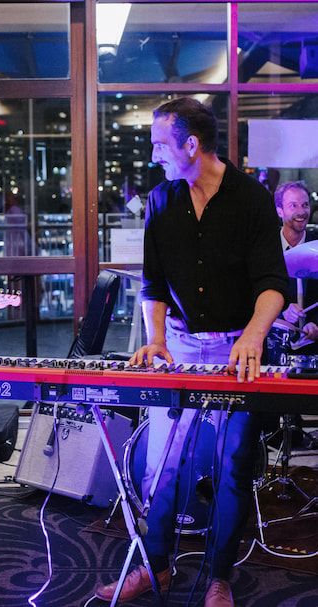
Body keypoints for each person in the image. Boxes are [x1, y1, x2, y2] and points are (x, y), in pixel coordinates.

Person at [94, 98, 288, 607]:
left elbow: (273, 283)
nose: (153, 154)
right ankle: (156, 566)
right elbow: (153, 285)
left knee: (232, 467)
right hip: (178, 346)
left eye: (160, 144)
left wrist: (253, 335)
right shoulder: (160, 200)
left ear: (191, 145)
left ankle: (219, 578)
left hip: (236, 349)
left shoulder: (251, 199)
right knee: (162, 465)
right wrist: (155, 337)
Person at [272, 181, 318, 354]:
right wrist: (281, 313)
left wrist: (316, 323)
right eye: (293, 205)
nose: (301, 212)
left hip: (313, 350)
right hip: (273, 346)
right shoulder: (266, 248)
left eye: (305, 205)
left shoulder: (316, 246)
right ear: (279, 211)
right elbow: (252, 294)